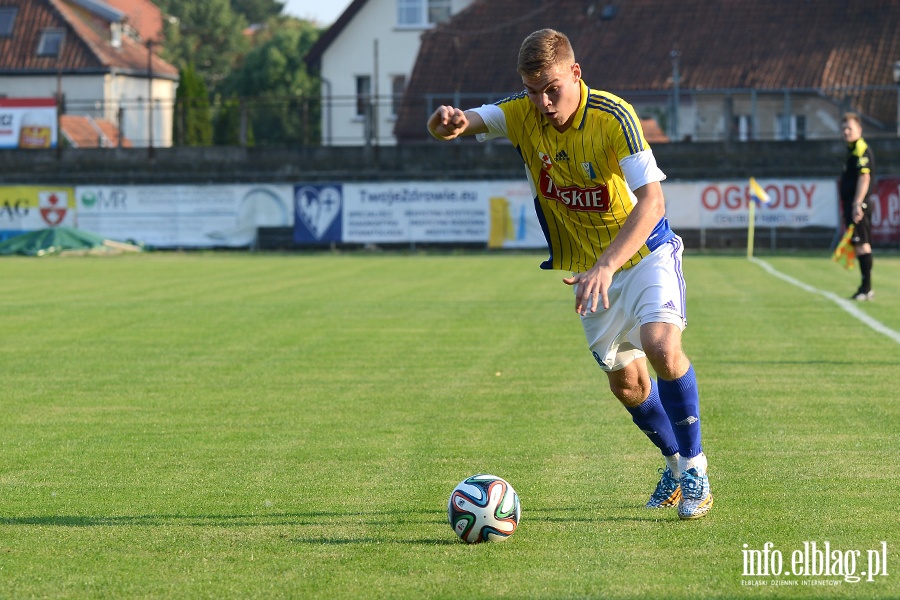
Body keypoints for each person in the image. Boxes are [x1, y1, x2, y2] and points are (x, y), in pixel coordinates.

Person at [427, 28, 712, 519]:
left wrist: (607, 263)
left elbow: (653, 201)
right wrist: (444, 124)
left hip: (644, 255)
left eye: (552, 88)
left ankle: (696, 471)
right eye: (533, 90)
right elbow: (466, 124)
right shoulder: (523, 112)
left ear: (575, 74)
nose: (542, 101)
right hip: (588, 273)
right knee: (627, 385)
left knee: (662, 346)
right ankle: (671, 464)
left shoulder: (613, 116)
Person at [839, 113, 875, 301]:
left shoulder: (861, 149)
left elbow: (864, 177)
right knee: (859, 244)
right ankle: (864, 287)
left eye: (849, 128)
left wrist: (857, 203)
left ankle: (866, 288)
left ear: (859, 130)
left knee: (862, 244)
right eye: (844, 128)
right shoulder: (851, 150)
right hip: (852, 204)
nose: (846, 131)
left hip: (858, 205)